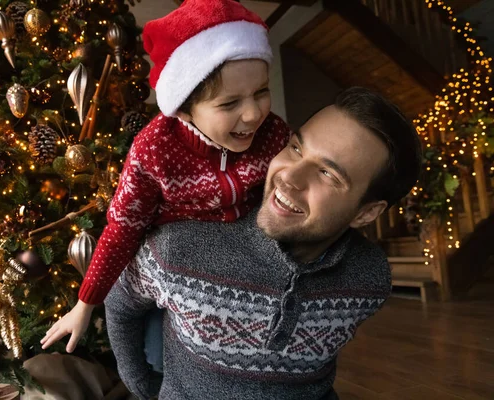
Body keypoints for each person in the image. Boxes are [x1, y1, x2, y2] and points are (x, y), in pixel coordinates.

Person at [104, 87, 423, 399]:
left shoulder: (371, 278)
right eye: (296, 148)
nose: (289, 177)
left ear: (367, 213)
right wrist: (142, 387)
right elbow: (119, 305)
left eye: (327, 173)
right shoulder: (178, 245)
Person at [41, 0, 291, 353]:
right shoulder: (153, 151)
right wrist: (85, 303)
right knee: (162, 355)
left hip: (247, 262)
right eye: (229, 103)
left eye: (261, 92)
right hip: (177, 269)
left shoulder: (274, 134)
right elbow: (123, 227)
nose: (253, 114)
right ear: (185, 110)